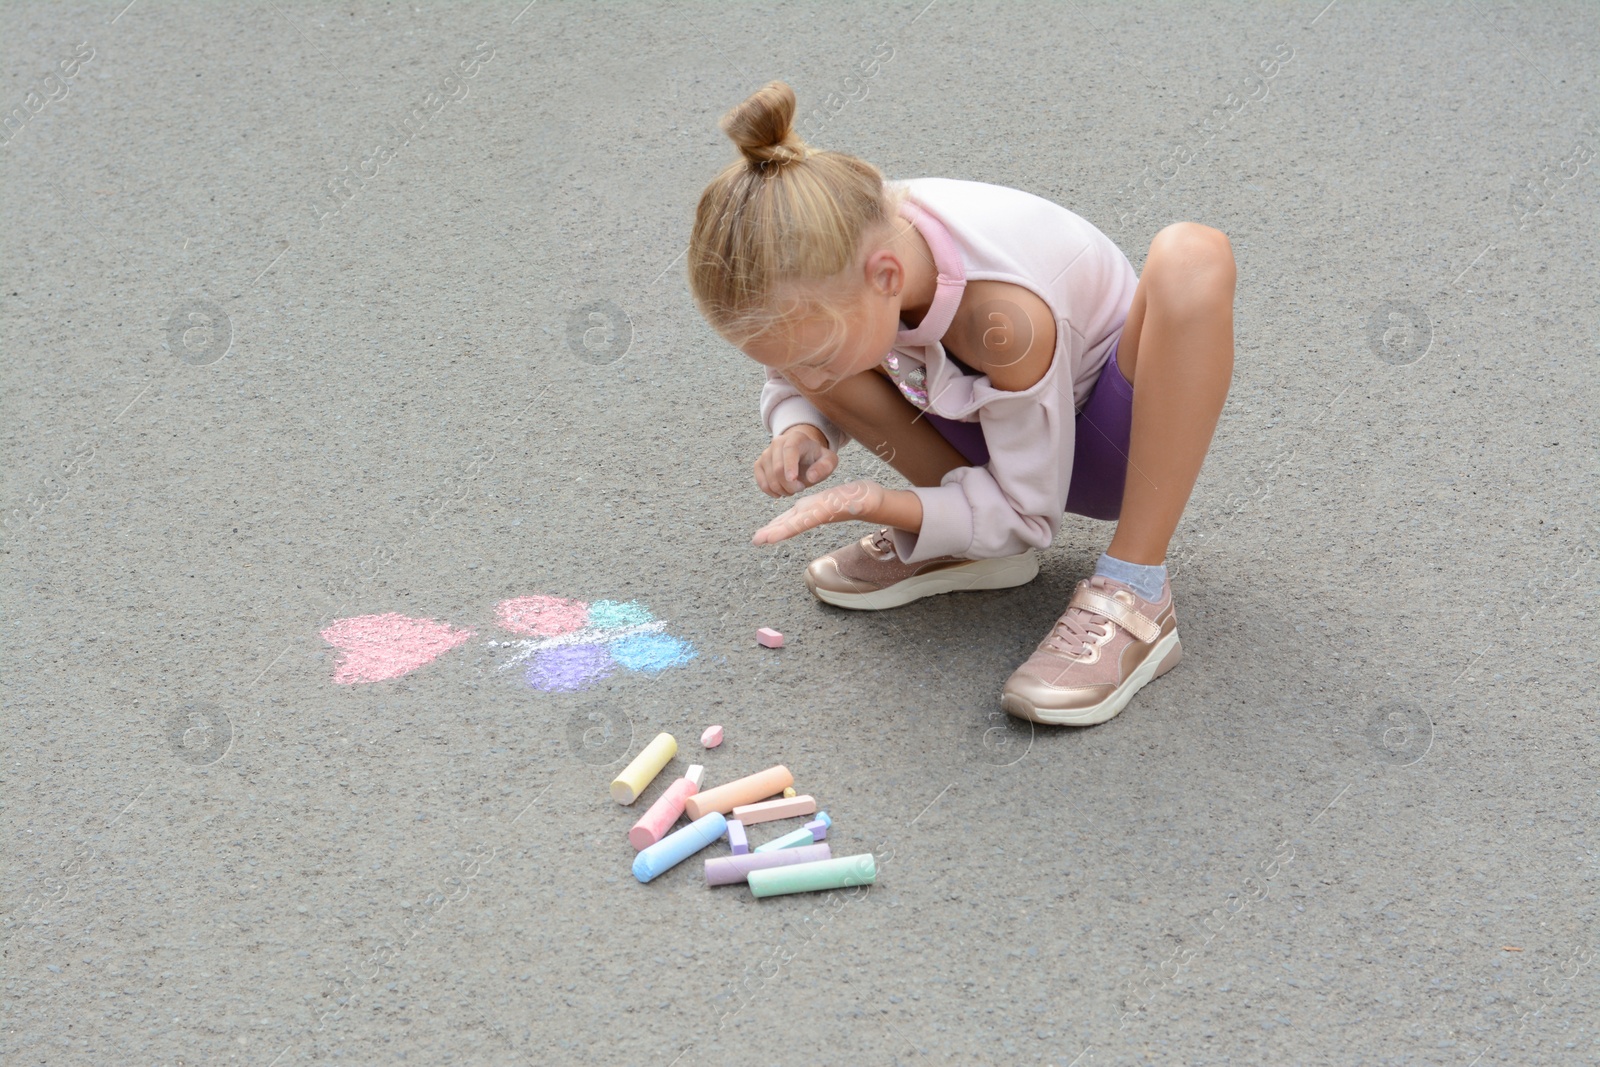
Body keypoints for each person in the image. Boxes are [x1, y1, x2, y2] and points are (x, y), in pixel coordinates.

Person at [686, 81, 1236, 726]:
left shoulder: (1001, 318)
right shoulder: (841, 234)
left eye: (809, 358)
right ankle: (969, 541)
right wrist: (801, 424)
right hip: (985, 420)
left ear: (887, 279)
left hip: (1113, 450)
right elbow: (795, 365)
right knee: (832, 357)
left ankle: (1136, 591)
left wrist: (872, 500)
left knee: (1191, 254)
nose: (802, 374)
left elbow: (1032, 518)